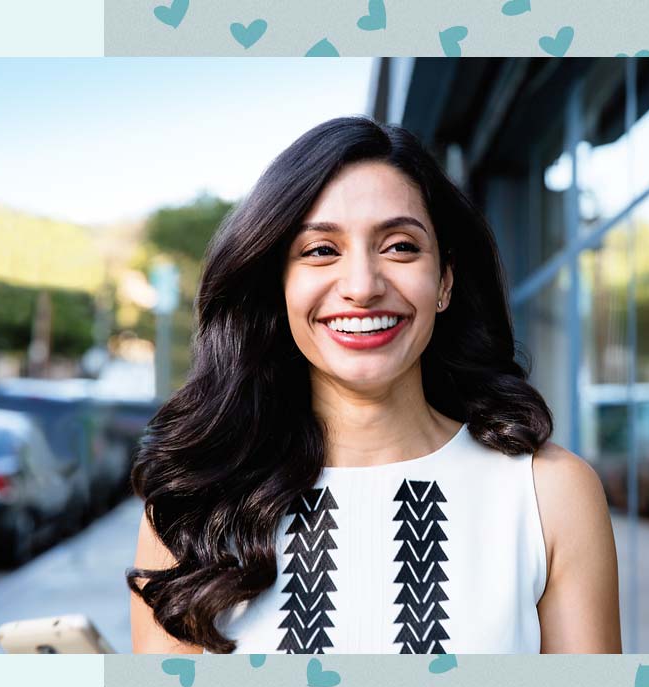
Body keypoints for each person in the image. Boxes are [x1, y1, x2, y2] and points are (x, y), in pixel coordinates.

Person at [128, 116, 621, 654]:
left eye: (400, 247)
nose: (362, 287)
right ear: (278, 286)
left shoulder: (548, 493)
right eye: (320, 251)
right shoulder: (194, 506)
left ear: (445, 281)